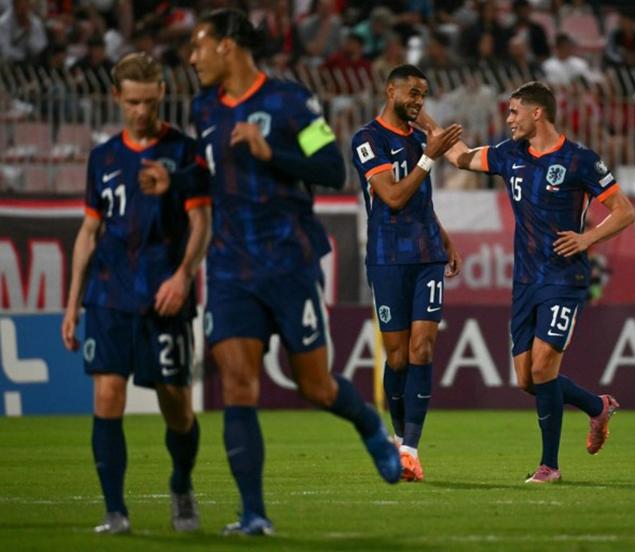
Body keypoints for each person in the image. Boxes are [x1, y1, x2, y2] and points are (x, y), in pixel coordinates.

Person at [143, 9, 402, 536]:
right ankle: (254, 514)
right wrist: (169, 178)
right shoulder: (204, 108)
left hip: (288, 262)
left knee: (316, 388)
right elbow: (206, 172)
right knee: (239, 386)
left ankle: (369, 424)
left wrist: (272, 151)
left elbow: (332, 168)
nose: (192, 57)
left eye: (199, 46)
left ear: (229, 46)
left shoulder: (290, 103)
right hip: (230, 267)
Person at [418, 81, 634, 483]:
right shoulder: (508, 154)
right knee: (527, 380)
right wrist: (425, 122)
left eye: (515, 111)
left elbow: (624, 212)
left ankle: (549, 466)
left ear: (538, 113)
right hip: (525, 281)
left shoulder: (579, 160)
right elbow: (462, 157)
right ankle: (596, 406)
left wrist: (586, 238)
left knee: (543, 366)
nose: (509, 118)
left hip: (564, 279)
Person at [60, 52, 211, 534]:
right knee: (107, 397)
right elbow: (88, 232)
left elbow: (201, 222)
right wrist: (71, 303)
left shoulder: (184, 153)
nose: (141, 112)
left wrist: (183, 274)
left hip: (165, 296)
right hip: (109, 296)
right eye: (132, 102)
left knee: (177, 406)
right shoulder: (102, 157)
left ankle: (182, 486)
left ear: (162, 95)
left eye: (149, 101)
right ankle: (114, 510)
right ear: (116, 97)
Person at [351, 64, 463, 482]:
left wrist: (444, 237)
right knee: (397, 355)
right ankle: (399, 441)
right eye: (412, 93)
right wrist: (429, 157)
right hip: (386, 257)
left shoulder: (419, 139)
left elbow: (421, 202)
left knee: (423, 348)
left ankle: (412, 450)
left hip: (426, 255)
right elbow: (394, 197)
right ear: (390, 90)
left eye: (424, 95)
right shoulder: (367, 139)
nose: (418, 101)